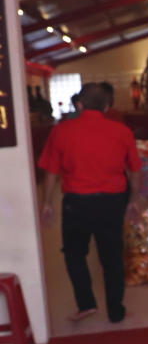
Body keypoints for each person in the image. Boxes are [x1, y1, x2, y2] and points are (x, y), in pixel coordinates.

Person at [39, 82, 142, 323]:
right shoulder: (121, 131)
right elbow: (135, 170)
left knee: (74, 253)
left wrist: (47, 203)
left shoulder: (62, 131)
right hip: (112, 202)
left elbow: (51, 172)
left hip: (77, 203)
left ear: (80, 104)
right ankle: (116, 311)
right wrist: (133, 201)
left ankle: (86, 304)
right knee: (112, 256)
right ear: (107, 106)